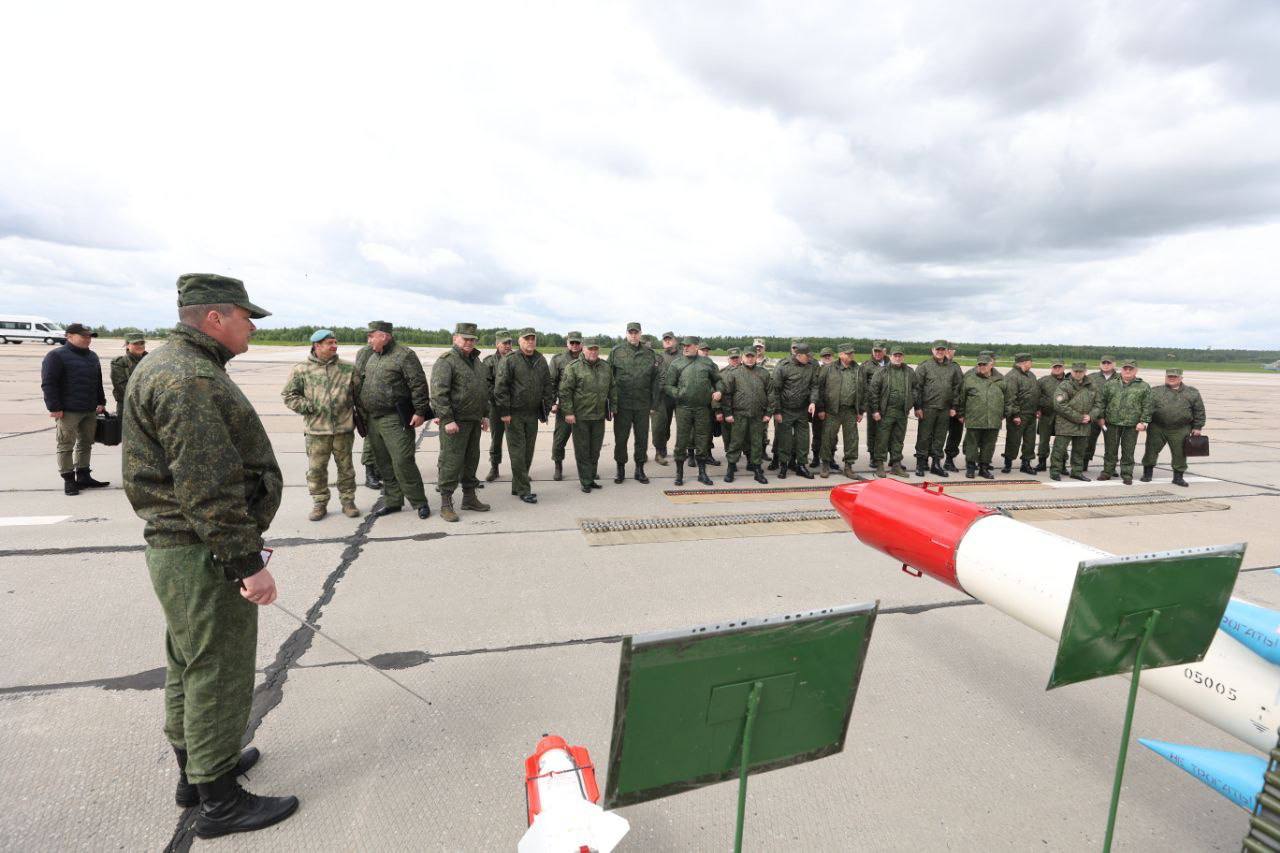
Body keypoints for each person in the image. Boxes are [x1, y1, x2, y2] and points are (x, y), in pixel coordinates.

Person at [122, 273, 296, 838]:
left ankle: (195, 775)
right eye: (247, 317)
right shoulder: (189, 378)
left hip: (182, 547)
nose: (252, 326)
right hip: (202, 550)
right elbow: (208, 488)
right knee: (217, 670)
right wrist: (248, 564)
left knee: (189, 662)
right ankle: (220, 802)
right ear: (216, 318)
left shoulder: (174, 364)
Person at [354, 321, 433, 519]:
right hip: (373, 419)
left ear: (385, 336)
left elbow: (418, 384)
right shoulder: (372, 356)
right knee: (383, 463)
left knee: (403, 461)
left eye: (372, 336)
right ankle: (393, 501)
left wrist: (420, 411)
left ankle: (419, 502)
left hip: (395, 418)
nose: (369, 340)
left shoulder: (404, 355)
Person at [281, 330, 360, 520]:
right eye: (330, 343)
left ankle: (348, 502)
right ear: (317, 345)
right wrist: (309, 407)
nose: (335, 346)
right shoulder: (301, 369)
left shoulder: (348, 368)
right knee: (316, 470)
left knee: (346, 469)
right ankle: (319, 503)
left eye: (335, 342)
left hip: (343, 429)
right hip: (316, 431)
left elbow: (359, 396)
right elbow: (289, 396)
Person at [431, 323, 492, 522]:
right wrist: (447, 419)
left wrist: (484, 415)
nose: (469, 342)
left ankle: (469, 497)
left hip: (473, 421)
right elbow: (439, 393)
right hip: (455, 423)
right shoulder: (447, 361)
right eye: (465, 338)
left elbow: (482, 391)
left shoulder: (476, 362)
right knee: (451, 462)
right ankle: (446, 503)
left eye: (472, 339)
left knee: (471, 460)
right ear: (455, 338)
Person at [41, 322, 108, 495]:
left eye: (89, 336)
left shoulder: (93, 356)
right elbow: (49, 384)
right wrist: (54, 407)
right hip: (67, 410)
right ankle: (69, 480)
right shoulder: (56, 356)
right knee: (65, 444)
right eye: (84, 336)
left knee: (86, 443)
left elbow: (97, 381)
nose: (88, 339)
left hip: (89, 408)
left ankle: (84, 476)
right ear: (69, 336)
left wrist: (101, 401)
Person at [495, 328, 553, 504]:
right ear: (520, 342)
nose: (530, 342)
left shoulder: (541, 360)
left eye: (532, 339)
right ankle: (524, 489)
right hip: (514, 415)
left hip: (532, 414)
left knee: (528, 452)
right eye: (526, 339)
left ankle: (517, 485)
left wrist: (546, 409)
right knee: (518, 453)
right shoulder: (510, 360)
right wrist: (504, 412)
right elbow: (501, 387)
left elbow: (547, 386)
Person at [665, 336, 724, 486]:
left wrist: (719, 391)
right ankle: (679, 473)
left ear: (696, 347)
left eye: (688, 345)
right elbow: (668, 385)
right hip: (683, 408)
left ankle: (702, 473)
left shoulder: (707, 363)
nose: (685, 348)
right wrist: (678, 393)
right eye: (684, 345)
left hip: (702, 409)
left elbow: (718, 380)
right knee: (682, 440)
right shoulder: (676, 364)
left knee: (703, 439)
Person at [559, 337, 616, 492]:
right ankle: (585, 481)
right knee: (583, 450)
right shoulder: (574, 367)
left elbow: (612, 388)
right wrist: (568, 412)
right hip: (581, 416)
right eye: (590, 349)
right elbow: (565, 391)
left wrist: (613, 407)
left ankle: (591, 477)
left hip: (598, 416)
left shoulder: (605, 367)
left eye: (595, 349)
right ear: (583, 349)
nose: (593, 352)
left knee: (595, 450)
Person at [609, 321, 660, 483]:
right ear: (626, 334)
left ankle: (640, 469)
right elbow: (609, 379)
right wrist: (611, 403)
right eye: (630, 332)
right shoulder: (616, 352)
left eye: (636, 332)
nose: (633, 335)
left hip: (642, 404)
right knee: (621, 438)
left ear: (640, 334)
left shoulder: (649, 354)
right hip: (622, 405)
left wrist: (654, 404)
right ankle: (621, 469)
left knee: (642, 439)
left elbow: (655, 381)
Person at [1139, 368, 1206, 487]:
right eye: (1169, 376)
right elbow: (1147, 408)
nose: (1171, 378)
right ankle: (1147, 474)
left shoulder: (1192, 392)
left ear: (1181, 378)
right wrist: (1143, 422)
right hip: (1157, 427)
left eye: (1174, 377)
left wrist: (1198, 427)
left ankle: (1178, 477)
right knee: (1151, 450)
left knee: (1179, 453)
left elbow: (1199, 410)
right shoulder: (1155, 391)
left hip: (1181, 428)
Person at [720, 346, 772, 484]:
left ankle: (756, 469)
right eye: (747, 356)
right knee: (736, 442)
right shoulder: (734, 373)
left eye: (752, 356)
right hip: (739, 415)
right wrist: (728, 413)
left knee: (756, 443)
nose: (750, 359)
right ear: (742, 357)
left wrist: (768, 413)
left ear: (756, 357)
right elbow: (727, 395)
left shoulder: (764, 373)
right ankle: (731, 468)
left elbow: (771, 394)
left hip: (757, 415)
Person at [769, 342, 818, 479]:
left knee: (803, 439)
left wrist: (813, 402)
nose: (809, 358)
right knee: (785, 439)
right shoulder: (783, 366)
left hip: (802, 410)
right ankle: (783, 465)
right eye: (807, 356)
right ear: (798, 355)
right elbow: (775, 390)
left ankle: (801, 466)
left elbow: (814, 386)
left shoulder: (810, 367)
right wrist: (777, 411)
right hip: (785, 410)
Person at [1097, 360, 1150, 484]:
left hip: (1131, 425)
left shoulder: (1143, 386)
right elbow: (1101, 402)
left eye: (1130, 369)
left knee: (1128, 450)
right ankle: (1107, 472)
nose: (1127, 371)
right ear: (1121, 369)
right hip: (1112, 423)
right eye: (1125, 368)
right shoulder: (1110, 384)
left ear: (1136, 370)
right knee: (1110, 450)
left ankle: (1127, 474)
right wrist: (1100, 417)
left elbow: (1147, 405)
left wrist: (1143, 421)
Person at [868, 345, 917, 478]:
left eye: (900, 355)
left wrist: (911, 403)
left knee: (898, 439)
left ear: (903, 357)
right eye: (895, 355)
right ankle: (879, 465)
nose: (897, 357)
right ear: (890, 356)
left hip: (901, 413)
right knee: (882, 439)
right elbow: (873, 392)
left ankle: (896, 465)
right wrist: (875, 410)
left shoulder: (909, 372)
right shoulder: (882, 371)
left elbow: (915, 389)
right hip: (886, 412)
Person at [816, 343, 863, 479]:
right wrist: (821, 408)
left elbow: (863, 390)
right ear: (841, 354)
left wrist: (861, 410)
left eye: (852, 353)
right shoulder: (829, 369)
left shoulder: (858, 369)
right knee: (828, 438)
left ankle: (848, 466)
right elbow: (819, 389)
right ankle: (825, 463)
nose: (851, 355)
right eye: (848, 353)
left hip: (850, 411)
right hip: (832, 410)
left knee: (852, 439)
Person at [913, 340, 958, 477]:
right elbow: (916, 388)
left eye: (942, 349)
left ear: (946, 351)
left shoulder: (952, 367)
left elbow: (957, 388)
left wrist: (954, 406)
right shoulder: (925, 366)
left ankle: (936, 464)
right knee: (924, 437)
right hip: (928, 408)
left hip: (944, 409)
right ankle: (921, 463)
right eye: (937, 349)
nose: (940, 352)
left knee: (940, 437)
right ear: (933, 350)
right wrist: (918, 406)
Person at [956, 355, 1004, 479]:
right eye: (980, 365)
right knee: (972, 444)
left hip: (993, 419)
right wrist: (961, 414)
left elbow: (1008, 399)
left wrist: (1003, 414)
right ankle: (971, 467)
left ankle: (984, 468)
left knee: (989, 445)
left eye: (984, 364)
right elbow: (961, 398)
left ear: (991, 365)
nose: (982, 367)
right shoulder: (970, 379)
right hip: (974, 418)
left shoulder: (1000, 380)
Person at [1050, 362, 1100, 481]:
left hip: (1084, 425)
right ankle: (1055, 471)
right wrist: (1078, 417)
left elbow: (1098, 404)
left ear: (1085, 372)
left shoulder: (1092, 386)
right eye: (1076, 371)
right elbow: (1059, 404)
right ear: (1071, 371)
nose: (1078, 374)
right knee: (1059, 449)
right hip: (1065, 424)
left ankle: (1077, 471)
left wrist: (1091, 416)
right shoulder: (1064, 385)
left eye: (1080, 372)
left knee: (1079, 450)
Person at [548, 331, 583, 480]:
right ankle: (558, 466)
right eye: (572, 343)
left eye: (577, 343)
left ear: (581, 344)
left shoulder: (587, 357)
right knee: (560, 439)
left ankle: (586, 469)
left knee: (583, 441)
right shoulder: (558, 360)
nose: (574, 346)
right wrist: (553, 403)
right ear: (567, 343)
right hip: (564, 406)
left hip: (583, 407)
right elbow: (551, 383)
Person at [483, 331, 514, 482]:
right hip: (496, 408)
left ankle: (519, 470)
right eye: (504, 343)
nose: (508, 346)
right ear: (497, 344)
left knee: (515, 440)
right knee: (496, 439)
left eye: (509, 343)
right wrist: (498, 397)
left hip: (514, 407)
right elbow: (485, 384)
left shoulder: (517, 359)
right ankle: (494, 467)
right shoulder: (489, 362)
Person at [1001, 353, 1039, 474]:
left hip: (1031, 414)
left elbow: (1035, 393)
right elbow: (1010, 398)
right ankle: (1008, 463)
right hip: (1018, 415)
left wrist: (1037, 408)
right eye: (1030, 361)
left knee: (1030, 441)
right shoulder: (1012, 376)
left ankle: (1026, 464)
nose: (1031, 363)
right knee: (1013, 440)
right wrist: (1015, 415)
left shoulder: (1031, 375)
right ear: (1023, 362)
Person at [650, 331, 681, 465]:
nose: (667, 341)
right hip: (663, 397)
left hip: (680, 395)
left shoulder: (683, 356)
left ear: (675, 341)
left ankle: (683, 451)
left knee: (684, 425)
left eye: (669, 339)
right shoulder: (658, 357)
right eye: (665, 340)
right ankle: (660, 450)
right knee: (661, 425)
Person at [1084, 356, 1120, 470]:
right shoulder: (1091, 378)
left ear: (1114, 364)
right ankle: (1083, 464)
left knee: (1111, 445)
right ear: (1100, 364)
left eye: (1109, 363)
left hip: (1112, 418)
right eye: (1103, 363)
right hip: (1093, 416)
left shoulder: (1120, 378)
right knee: (1087, 442)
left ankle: (1110, 468)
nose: (1106, 365)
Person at [354, 341, 382, 490]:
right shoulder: (366, 351)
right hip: (368, 403)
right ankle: (370, 473)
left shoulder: (388, 351)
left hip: (383, 404)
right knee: (371, 440)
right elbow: (358, 378)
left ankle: (378, 471)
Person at [858, 342, 889, 465]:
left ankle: (891, 457)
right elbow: (862, 386)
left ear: (884, 351)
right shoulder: (866, 366)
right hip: (873, 404)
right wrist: (863, 406)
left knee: (888, 431)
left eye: (879, 351)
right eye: (875, 351)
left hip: (888, 404)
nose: (877, 353)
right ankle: (873, 455)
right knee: (873, 431)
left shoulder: (891, 364)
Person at [1034, 359, 1066, 472]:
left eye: (1059, 367)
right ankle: (1042, 463)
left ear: (1063, 367)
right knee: (1043, 441)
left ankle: (1061, 465)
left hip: (1063, 417)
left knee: (1062, 441)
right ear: (1051, 368)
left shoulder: (1069, 381)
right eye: (1055, 367)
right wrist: (1037, 408)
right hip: (1046, 415)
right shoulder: (1043, 381)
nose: (1057, 369)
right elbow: (1035, 396)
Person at [810, 347, 835, 466]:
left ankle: (831, 458)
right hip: (820, 408)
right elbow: (816, 390)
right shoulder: (817, 370)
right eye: (825, 356)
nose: (827, 357)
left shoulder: (837, 370)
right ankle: (815, 457)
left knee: (832, 436)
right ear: (821, 357)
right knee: (818, 433)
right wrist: (820, 409)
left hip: (834, 409)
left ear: (833, 356)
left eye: (829, 355)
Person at [110, 333, 148, 412]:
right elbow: (122, 387)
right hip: (127, 406)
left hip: (147, 406)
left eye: (142, 343)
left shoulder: (151, 361)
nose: (140, 346)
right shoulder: (120, 363)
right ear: (127, 345)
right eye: (135, 343)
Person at [942, 345, 965, 471]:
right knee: (934, 435)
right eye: (949, 350)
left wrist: (958, 409)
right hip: (939, 407)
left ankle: (949, 460)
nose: (951, 352)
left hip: (955, 408)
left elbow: (960, 388)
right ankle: (928, 460)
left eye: (952, 350)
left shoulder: (955, 366)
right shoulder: (931, 366)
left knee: (955, 435)